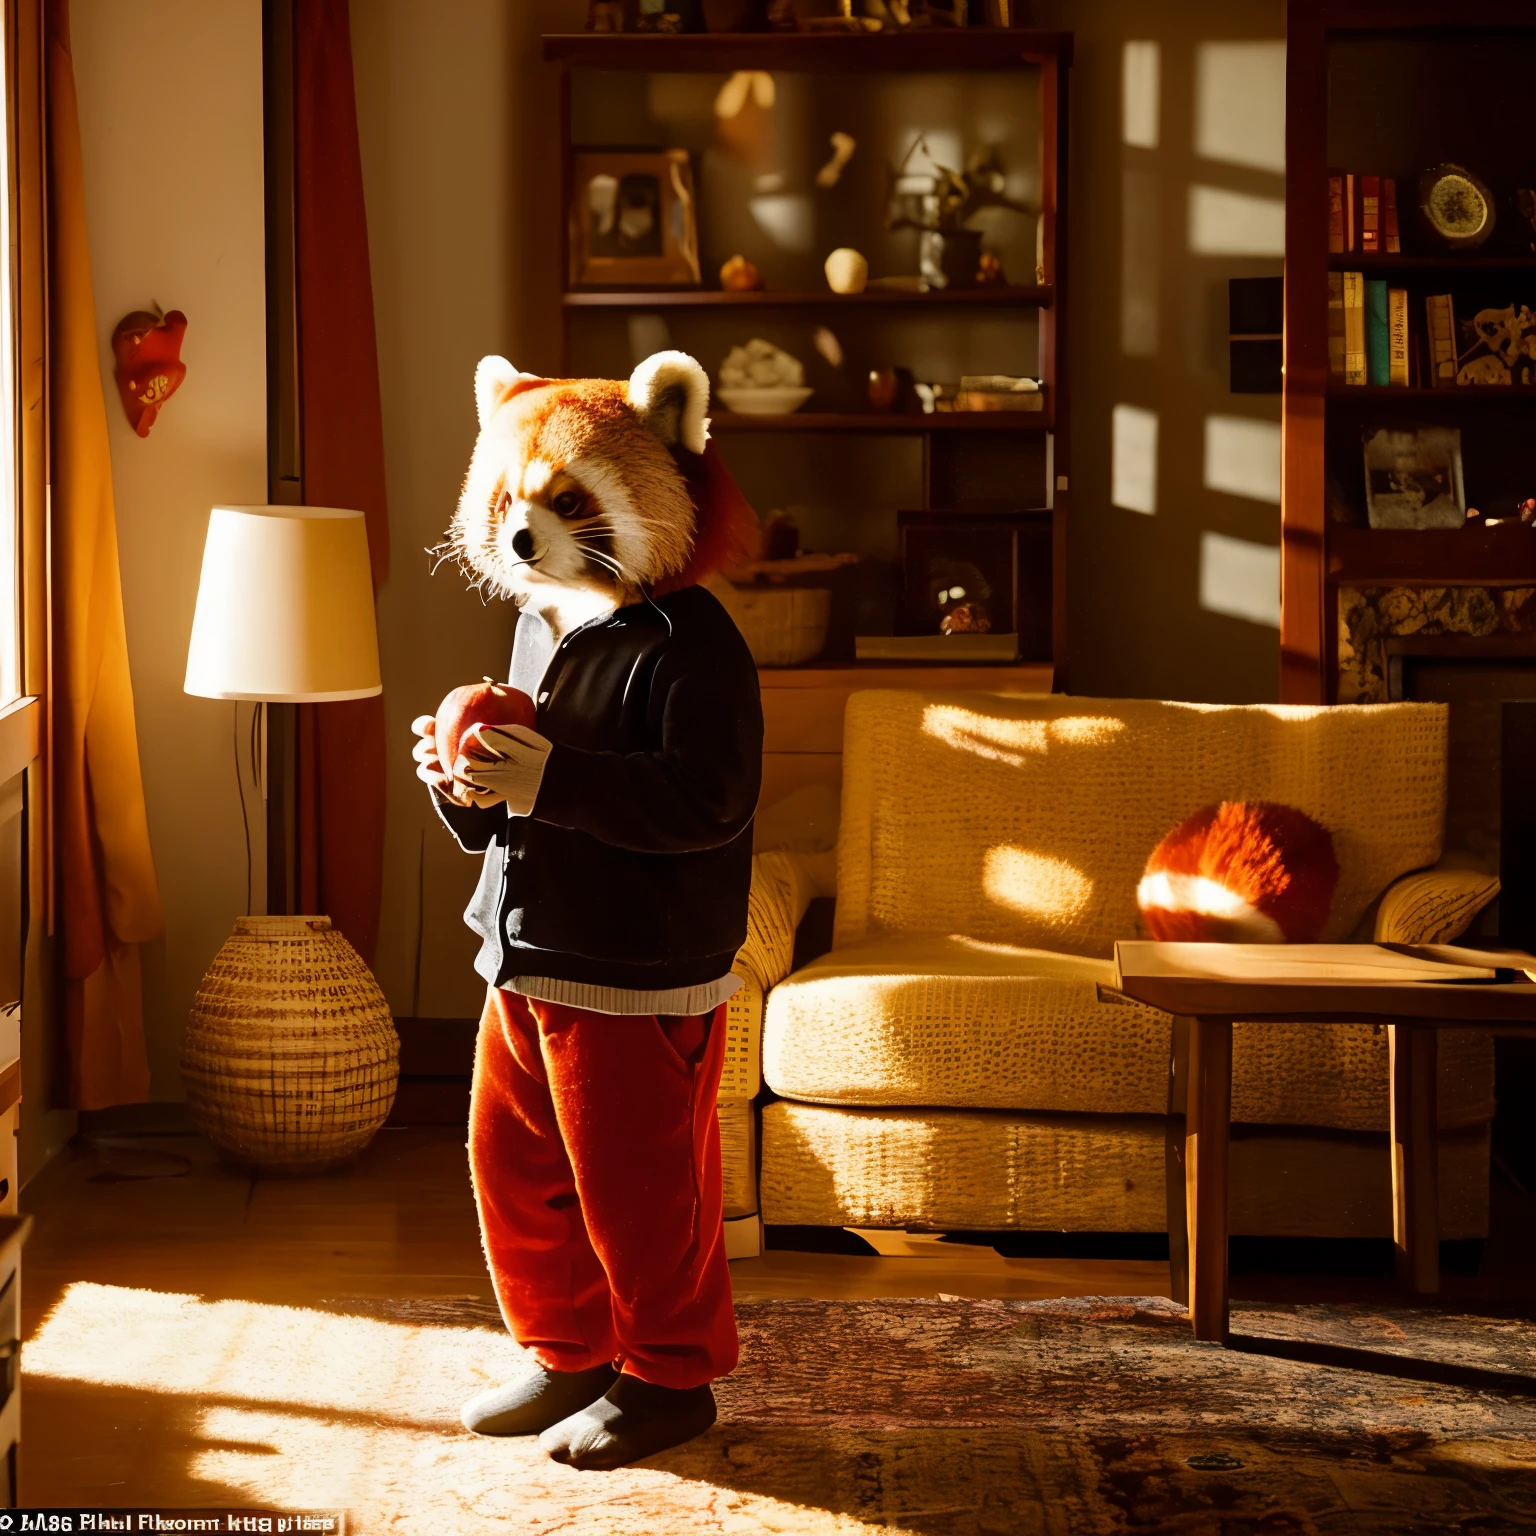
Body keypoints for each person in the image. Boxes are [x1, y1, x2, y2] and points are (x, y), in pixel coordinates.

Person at [413, 351, 761, 1470]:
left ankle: (668, 1377)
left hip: (633, 966)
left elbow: (708, 805)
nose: (527, 530)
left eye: (568, 506)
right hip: (525, 954)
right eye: (512, 501)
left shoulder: (694, 646)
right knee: (514, 1168)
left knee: (638, 1189)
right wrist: (465, 787)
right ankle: (569, 1349)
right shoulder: (546, 619)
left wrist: (547, 782)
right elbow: (526, 809)